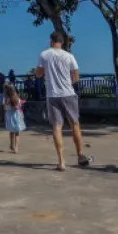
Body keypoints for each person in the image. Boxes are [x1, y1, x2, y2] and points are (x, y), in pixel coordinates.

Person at [35, 31, 92, 171]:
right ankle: (80, 156)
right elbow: (76, 77)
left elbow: (38, 74)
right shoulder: (69, 56)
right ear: (62, 42)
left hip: (52, 94)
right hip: (68, 93)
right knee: (75, 124)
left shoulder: (44, 54)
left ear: (51, 41)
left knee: (57, 126)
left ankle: (61, 161)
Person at [3, 83, 26, 154]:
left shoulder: (6, 98)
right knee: (17, 133)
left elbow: (5, 108)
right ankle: (16, 147)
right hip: (16, 115)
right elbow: (17, 107)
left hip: (9, 115)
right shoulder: (15, 96)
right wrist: (20, 103)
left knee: (11, 131)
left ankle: (11, 145)